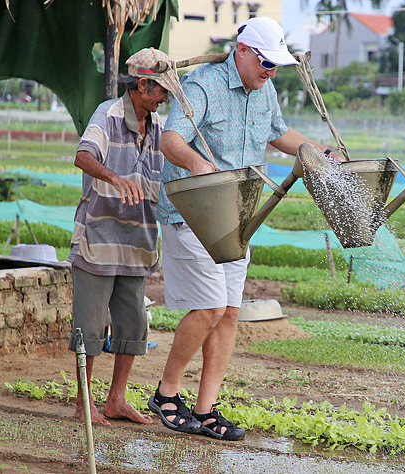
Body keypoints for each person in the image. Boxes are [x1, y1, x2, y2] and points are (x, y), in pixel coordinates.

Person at [149, 16, 344, 441]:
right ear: (242, 51)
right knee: (209, 308)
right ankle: (166, 395)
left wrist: (322, 151)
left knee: (230, 313)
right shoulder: (203, 85)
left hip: (238, 215)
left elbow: (278, 133)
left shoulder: (265, 89)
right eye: (266, 64)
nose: (270, 72)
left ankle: (206, 409)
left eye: (276, 66)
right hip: (194, 212)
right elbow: (170, 139)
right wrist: (200, 164)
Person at [68, 48, 177, 425]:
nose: (165, 98)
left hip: (138, 242)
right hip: (99, 239)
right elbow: (83, 156)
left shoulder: (160, 127)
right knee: (91, 325)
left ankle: (116, 400)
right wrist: (114, 178)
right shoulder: (109, 114)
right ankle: (85, 403)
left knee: (132, 325)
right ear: (142, 84)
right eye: (161, 90)